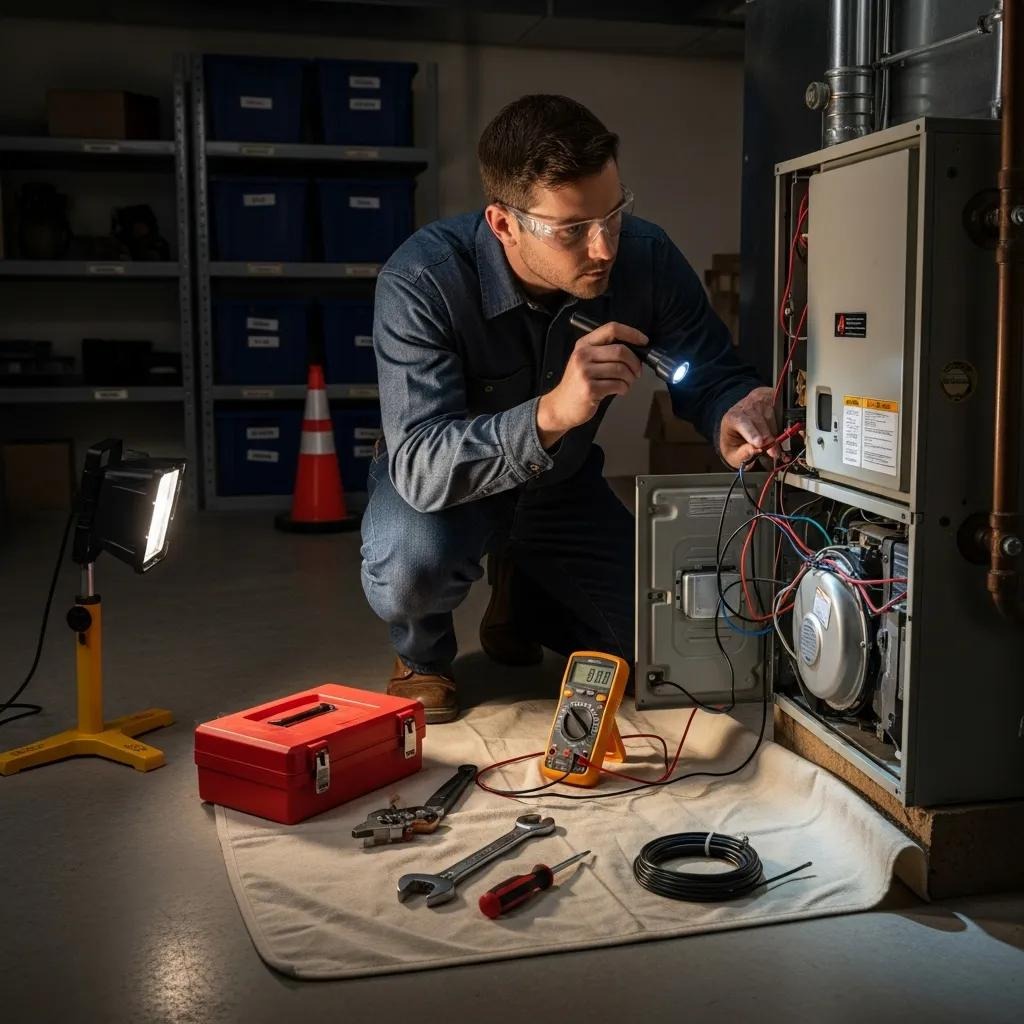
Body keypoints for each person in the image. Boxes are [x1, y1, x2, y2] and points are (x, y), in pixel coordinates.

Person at [360, 94, 775, 723]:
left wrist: (730, 414)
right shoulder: (422, 282)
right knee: (412, 564)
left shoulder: (647, 257)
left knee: (663, 654)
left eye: (613, 213)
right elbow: (419, 465)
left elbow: (711, 371)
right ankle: (422, 655)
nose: (604, 247)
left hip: (562, 488)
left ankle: (521, 595)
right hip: (445, 491)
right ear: (503, 224)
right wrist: (552, 413)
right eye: (572, 229)